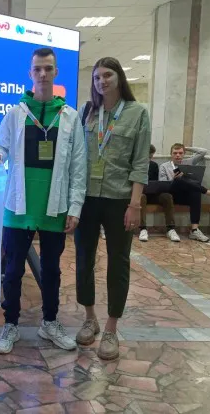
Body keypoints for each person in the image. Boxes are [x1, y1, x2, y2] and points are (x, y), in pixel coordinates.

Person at [0, 47, 87, 354]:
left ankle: (50, 323)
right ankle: (11, 324)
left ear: (56, 72)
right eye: (37, 69)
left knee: (51, 270)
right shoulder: (15, 114)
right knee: (13, 270)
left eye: (48, 68)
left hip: (54, 206)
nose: (43, 74)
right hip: (18, 206)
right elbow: (2, 146)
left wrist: (75, 207)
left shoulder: (69, 117)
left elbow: (78, 165)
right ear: (30, 73)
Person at [75, 57, 150, 360]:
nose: (102, 81)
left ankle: (110, 328)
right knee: (83, 259)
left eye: (107, 75)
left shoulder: (137, 113)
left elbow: (141, 163)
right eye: (97, 77)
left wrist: (135, 204)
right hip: (87, 198)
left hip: (120, 199)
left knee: (118, 262)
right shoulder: (87, 112)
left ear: (119, 77)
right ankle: (90, 318)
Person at [159, 143, 210, 242]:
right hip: (172, 195)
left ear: (184, 153)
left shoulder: (188, 162)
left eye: (180, 153)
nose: (178, 155)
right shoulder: (164, 166)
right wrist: (173, 178)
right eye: (175, 153)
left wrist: (186, 147)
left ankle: (194, 230)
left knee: (195, 192)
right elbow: (163, 185)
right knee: (179, 179)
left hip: (186, 195)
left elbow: (203, 152)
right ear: (171, 154)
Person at [139, 144, 179, 242]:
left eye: (151, 157)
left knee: (167, 196)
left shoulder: (154, 165)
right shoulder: (136, 165)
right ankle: (143, 229)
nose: (149, 159)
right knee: (142, 197)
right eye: (148, 157)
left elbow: (157, 183)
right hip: (140, 194)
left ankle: (170, 229)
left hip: (153, 194)